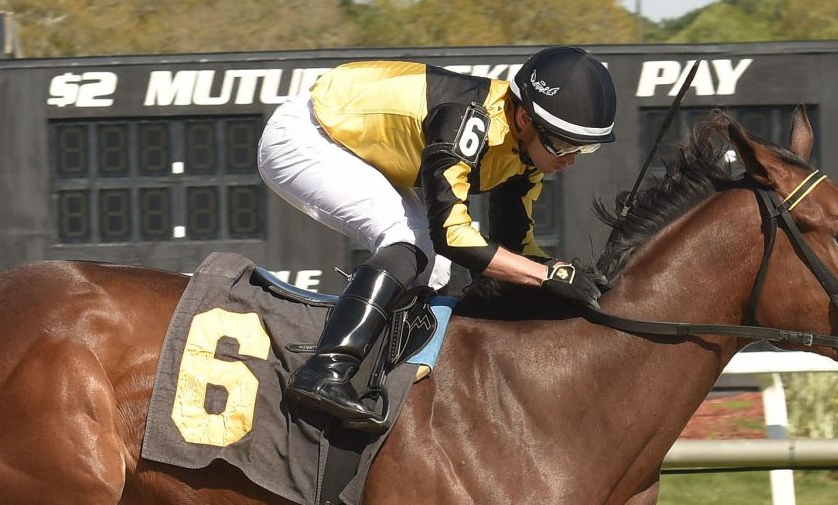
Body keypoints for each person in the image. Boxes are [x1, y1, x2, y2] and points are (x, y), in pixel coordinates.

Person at [257, 46, 616, 430]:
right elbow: (452, 235)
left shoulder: (524, 152)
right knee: (411, 243)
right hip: (307, 135)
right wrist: (546, 277)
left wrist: (558, 271)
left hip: (352, 141)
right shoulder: (466, 119)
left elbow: (514, 248)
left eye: (584, 148)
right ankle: (326, 370)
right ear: (525, 118)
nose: (571, 159)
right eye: (563, 144)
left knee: (434, 269)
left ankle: (383, 380)